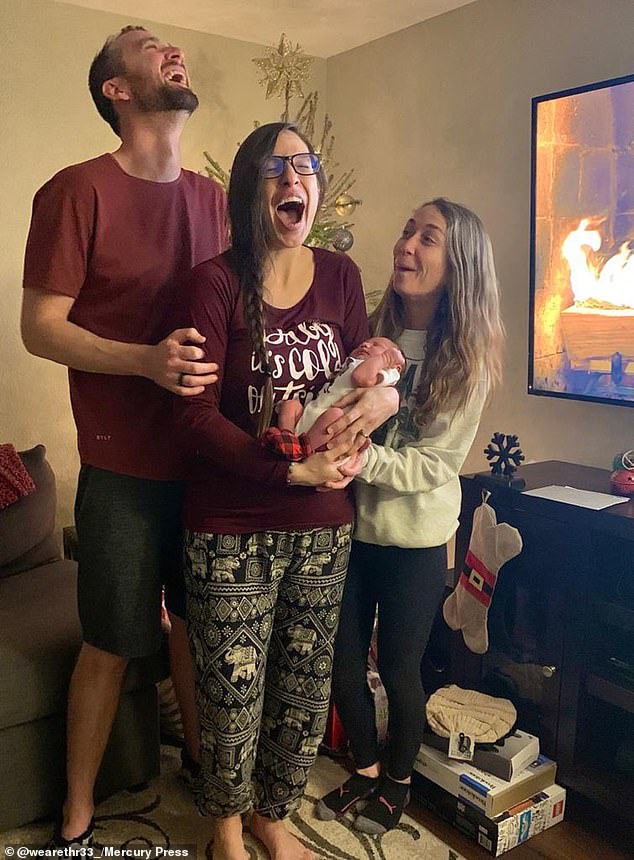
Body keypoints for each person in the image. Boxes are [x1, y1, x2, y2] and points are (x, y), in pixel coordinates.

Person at [20, 25, 227, 846]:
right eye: (146, 45)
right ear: (116, 88)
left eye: (170, 42)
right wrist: (145, 361)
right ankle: (76, 810)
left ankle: (209, 780)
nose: (170, 49)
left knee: (199, 632)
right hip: (121, 469)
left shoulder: (215, 201)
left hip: (210, 466)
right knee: (111, 641)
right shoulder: (76, 191)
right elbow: (40, 327)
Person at [173, 121, 398, 860]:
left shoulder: (341, 277)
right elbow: (193, 418)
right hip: (231, 524)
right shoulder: (213, 283)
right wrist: (287, 471)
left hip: (324, 524)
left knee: (302, 687)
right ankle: (226, 830)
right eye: (276, 167)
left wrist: (376, 412)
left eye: (306, 165)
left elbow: (358, 381)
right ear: (250, 189)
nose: (294, 177)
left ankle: (273, 816)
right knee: (233, 694)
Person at [317, 198, 504, 833]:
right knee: (341, 660)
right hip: (352, 530)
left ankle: (398, 782)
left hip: (417, 543)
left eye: (428, 238)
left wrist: (357, 458)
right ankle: (365, 768)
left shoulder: (467, 362)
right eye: (407, 231)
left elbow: (434, 465)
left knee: (400, 670)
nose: (408, 245)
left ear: (459, 267)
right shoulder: (372, 336)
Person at [262, 336, 405, 461]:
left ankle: (304, 453)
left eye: (376, 345)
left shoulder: (387, 373)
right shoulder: (351, 363)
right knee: (291, 405)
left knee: (334, 414)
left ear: (396, 366)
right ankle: (287, 438)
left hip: (329, 425)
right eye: (366, 342)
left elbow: (361, 378)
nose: (365, 344)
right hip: (310, 412)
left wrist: (385, 359)